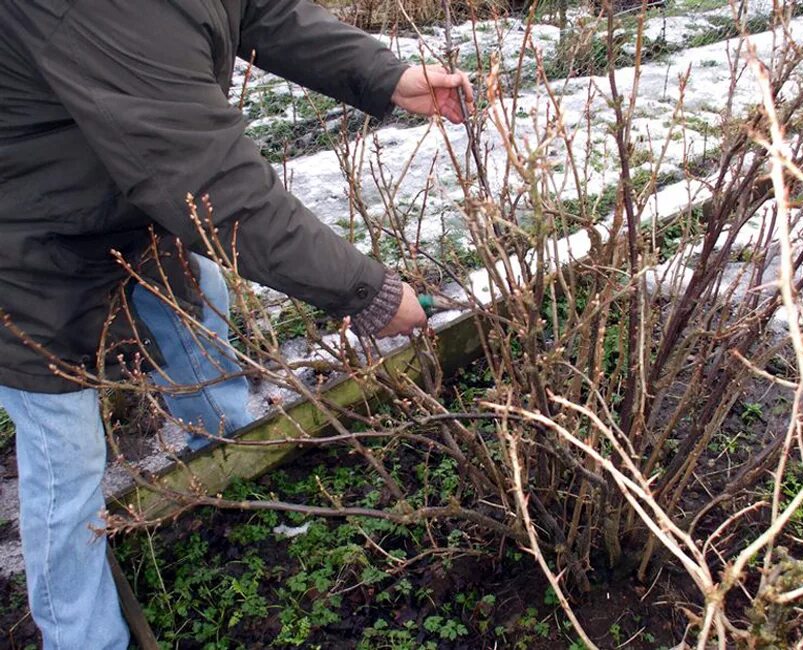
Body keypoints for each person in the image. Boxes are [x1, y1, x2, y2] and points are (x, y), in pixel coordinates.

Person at [0, 1, 473, 647]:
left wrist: (384, 74)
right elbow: (207, 178)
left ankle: (226, 478)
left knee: (198, 305)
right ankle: (82, 636)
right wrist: (368, 293)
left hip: (120, 191)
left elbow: (261, 10)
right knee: (64, 450)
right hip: (21, 236)